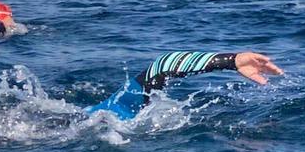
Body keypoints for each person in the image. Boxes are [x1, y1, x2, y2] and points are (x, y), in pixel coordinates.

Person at [86, 51, 283, 120]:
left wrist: (232, 60)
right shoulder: (109, 114)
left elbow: (161, 67)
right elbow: (161, 67)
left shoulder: (102, 114)